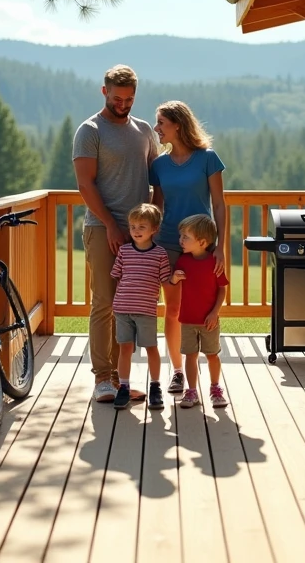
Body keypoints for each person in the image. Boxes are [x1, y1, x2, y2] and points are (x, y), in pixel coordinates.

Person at [73, 65, 160, 404]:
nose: (123, 104)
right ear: (104, 92)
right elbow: (85, 184)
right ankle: (102, 379)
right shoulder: (90, 130)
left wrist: (153, 220)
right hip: (102, 229)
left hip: (140, 234)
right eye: (117, 98)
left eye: (129, 99)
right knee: (105, 303)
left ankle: (120, 381)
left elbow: (156, 178)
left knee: (129, 307)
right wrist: (111, 224)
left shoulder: (143, 130)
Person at [149, 100, 228, 395]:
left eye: (161, 123)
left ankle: (211, 379)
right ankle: (178, 371)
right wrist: (147, 241)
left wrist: (220, 246)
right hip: (169, 243)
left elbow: (219, 204)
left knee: (203, 306)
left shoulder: (207, 158)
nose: (157, 128)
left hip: (202, 247)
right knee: (173, 309)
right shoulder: (159, 165)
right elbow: (156, 206)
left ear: (178, 125)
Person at [109, 203, 172, 410]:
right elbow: (117, 276)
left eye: (142, 227)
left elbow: (165, 279)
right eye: (133, 226)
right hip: (123, 310)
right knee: (125, 348)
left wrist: (177, 278)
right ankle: (124, 387)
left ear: (154, 229)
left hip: (146, 311)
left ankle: (155, 387)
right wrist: (119, 302)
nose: (136, 231)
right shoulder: (124, 251)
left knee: (151, 348)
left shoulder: (160, 254)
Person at [170, 214, 229, 409]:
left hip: (209, 320)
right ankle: (192, 391)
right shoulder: (183, 261)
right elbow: (173, 281)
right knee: (190, 355)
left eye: (185, 237)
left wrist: (215, 313)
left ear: (202, 242)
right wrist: (175, 278)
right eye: (181, 236)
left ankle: (215, 388)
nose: (181, 240)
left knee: (212, 355)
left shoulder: (214, 263)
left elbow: (222, 289)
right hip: (187, 319)